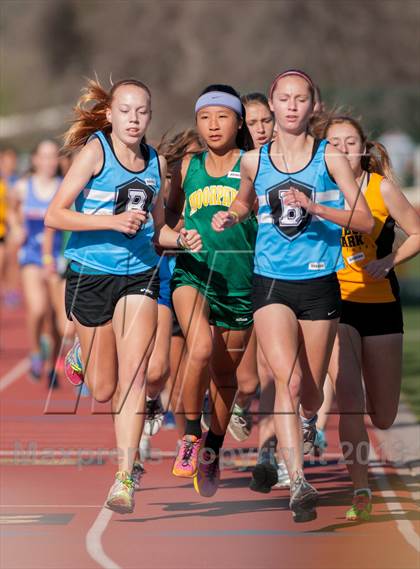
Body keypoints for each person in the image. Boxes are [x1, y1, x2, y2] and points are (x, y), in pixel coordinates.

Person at [212, 69, 374, 522]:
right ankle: (298, 480)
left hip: (319, 281)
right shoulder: (253, 161)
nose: (290, 106)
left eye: (300, 99)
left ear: (312, 106)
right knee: (286, 381)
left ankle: (306, 424)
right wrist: (232, 214)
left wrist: (317, 207)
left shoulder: (329, 158)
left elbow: (363, 220)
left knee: (311, 393)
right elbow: (246, 201)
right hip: (270, 281)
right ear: (272, 105)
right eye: (283, 98)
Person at [45, 78, 201, 514]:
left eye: (142, 112)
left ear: (149, 116)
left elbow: (156, 229)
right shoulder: (95, 152)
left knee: (133, 377)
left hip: (140, 276)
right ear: (110, 115)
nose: (134, 119)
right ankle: (80, 352)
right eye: (126, 111)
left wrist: (181, 238)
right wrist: (111, 223)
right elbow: (56, 214)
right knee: (102, 388)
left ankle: (124, 474)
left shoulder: (156, 162)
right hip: (91, 274)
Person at [322, 114, 420, 521]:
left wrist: (390, 260)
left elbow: (417, 231)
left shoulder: (380, 188)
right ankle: (360, 486)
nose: (342, 149)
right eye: (334, 143)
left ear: (363, 149)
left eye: (349, 142)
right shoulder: (320, 191)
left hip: (380, 305)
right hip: (335, 302)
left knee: (383, 414)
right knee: (349, 402)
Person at [167, 84, 257, 497]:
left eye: (222, 116)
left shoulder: (255, 164)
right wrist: (177, 234)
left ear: (239, 121)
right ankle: (188, 436)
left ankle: (213, 450)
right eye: (205, 117)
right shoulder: (189, 166)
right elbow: (165, 220)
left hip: (240, 283)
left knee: (226, 377)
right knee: (198, 347)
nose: (213, 124)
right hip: (194, 274)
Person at [11, 140, 63, 385]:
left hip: (55, 257)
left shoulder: (64, 187)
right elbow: (11, 210)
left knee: (54, 317)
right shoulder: (23, 187)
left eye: (53, 156)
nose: (49, 161)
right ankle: (34, 351)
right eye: (44, 156)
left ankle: (52, 365)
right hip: (31, 255)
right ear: (35, 159)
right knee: (38, 308)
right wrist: (17, 225)